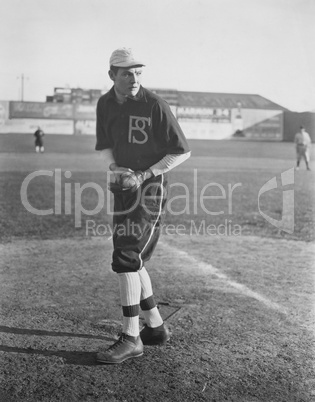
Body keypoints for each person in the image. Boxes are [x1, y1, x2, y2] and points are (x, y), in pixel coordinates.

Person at [95, 48, 191, 364]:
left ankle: (131, 337)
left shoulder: (154, 105)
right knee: (132, 257)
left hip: (148, 190)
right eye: (127, 73)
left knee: (125, 256)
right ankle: (156, 327)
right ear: (112, 75)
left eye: (138, 72)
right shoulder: (105, 104)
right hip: (123, 188)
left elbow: (181, 151)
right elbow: (105, 145)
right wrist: (115, 169)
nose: (134, 78)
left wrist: (144, 173)